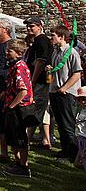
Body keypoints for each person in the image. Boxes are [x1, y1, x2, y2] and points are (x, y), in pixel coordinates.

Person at [48, 25, 83, 164]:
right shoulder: (56, 51)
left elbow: (77, 73)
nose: (51, 38)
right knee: (61, 123)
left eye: (53, 35)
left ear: (61, 37)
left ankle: (72, 154)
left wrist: (64, 87)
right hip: (55, 90)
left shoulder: (71, 52)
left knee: (68, 124)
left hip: (66, 93)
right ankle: (65, 150)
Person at [1, 39, 35, 178]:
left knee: (20, 137)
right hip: (12, 105)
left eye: (10, 51)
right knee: (13, 136)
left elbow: (23, 91)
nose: (7, 53)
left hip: (19, 108)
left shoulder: (20, 67)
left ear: (19, 53)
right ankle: (17, 162)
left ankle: (23, 166)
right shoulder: (14, 66)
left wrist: (11, 106)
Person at [24, 17, 53, 148]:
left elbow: (41, 61)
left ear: (40, 26)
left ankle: (28, 138)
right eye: (28, 26)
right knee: (35, 109)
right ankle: (29, 138)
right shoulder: (37, 40)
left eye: (32, 26)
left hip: (40, 81)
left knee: (35, 109)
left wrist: (32, 80)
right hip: (38, 80)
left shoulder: (41, 40)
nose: (29, 28)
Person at [0, 17, 14, 161]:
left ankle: (17, 155)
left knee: (10, 122)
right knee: (1, 121)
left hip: (7, 88)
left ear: (5, 29)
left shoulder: (10, 46)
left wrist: (6, 89)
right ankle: (4, 152)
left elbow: (13, 69)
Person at [74, 87, 86, 176]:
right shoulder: (81, 110)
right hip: (81, 138)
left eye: (85, 99)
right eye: (80, 99)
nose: (82, 102)